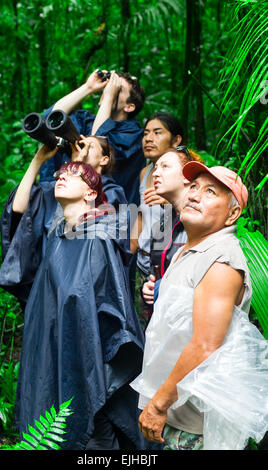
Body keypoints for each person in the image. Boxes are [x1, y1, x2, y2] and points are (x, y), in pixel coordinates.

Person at [0, 144, 152, 450]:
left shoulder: (99, 239)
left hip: (90, 366)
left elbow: (107, 315)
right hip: (53, 352)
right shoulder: (55, 236)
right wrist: (39, 158)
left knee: (93, 436)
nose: (63, 175)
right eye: (61, 172)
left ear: (91, 193)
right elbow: (18, 212)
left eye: (75, 173)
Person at [131, 162, 268, 450]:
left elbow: (206, 344)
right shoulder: (188, 250)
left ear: (233, 213)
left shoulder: (221, 260)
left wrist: (157, 405)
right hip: (175, 410)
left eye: (210, 191)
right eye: (193, 187)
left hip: (194, 426)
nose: (194, 195)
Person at [39, 69, 146, 206]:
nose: (109, 90)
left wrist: (108, 97)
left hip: (107, 215)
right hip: (66, 208)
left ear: (129, 107)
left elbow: (96, 145)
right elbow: (50, 120)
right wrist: (88, 87)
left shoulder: (135, 135)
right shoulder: (87, 121)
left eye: (117, 89)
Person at [129, 112, 185, 328]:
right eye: (145, 133)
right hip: (145, 266)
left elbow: (200, 211)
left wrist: (171, 199)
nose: (148, 138)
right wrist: (128, 251)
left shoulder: (188, 170)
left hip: (173, 264)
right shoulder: (145, 172)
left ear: (176, 140)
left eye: (157, 132)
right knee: (149, 328)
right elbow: (140, 215)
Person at [141, 147, 203, 318]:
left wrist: (162, 287)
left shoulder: (203, 219)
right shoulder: (164, 222)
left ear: (186, 175)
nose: (155, 173)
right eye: (156, 167)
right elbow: (155, 271)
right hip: (163, 323)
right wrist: (148, 287)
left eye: (165, 167)